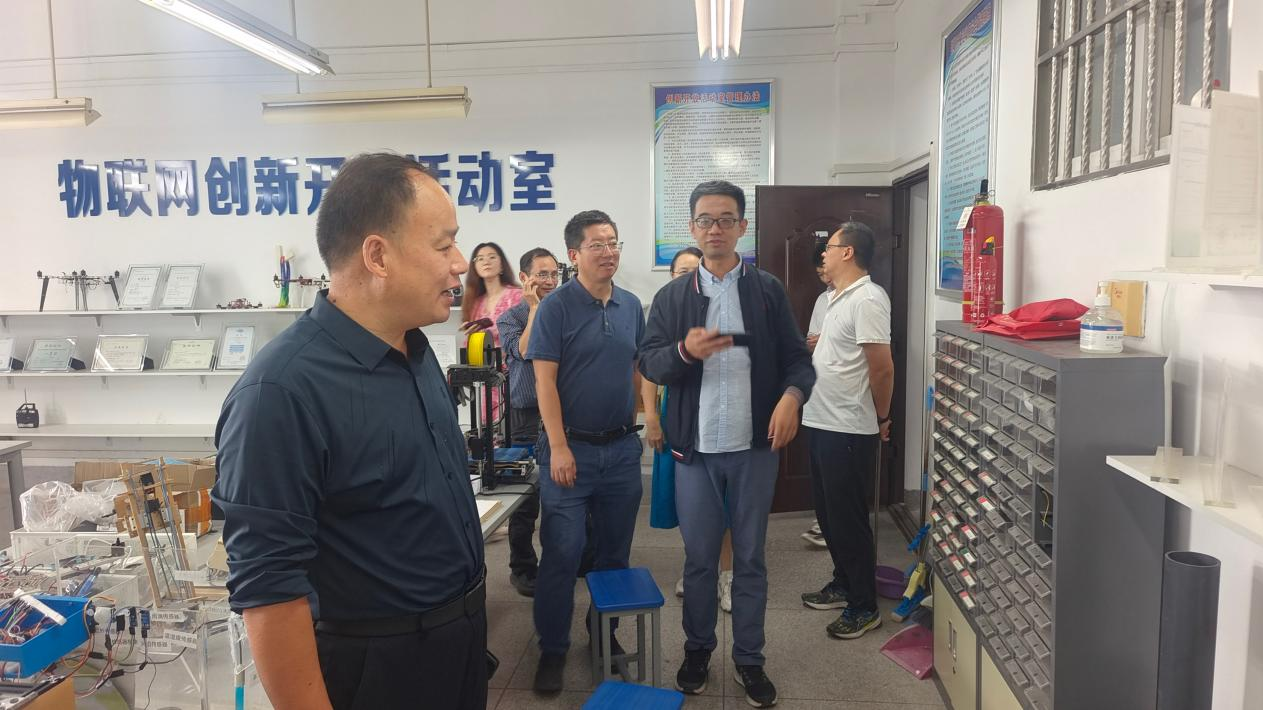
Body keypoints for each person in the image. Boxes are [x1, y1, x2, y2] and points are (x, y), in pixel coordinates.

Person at [213, 153, 488, 710]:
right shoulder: (280, 393)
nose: (460, 263)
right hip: (376, 671)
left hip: (456, 650)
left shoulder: (415, 351)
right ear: (377, 255)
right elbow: (270, 591)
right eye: (444, 246)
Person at [640, 180, 816, 708]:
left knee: (751, 557)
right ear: (692, 227)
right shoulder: (673, 297)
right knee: (698, 559)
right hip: (694, 452)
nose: (714, 229)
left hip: (753, 449)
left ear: (742, 226)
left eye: (724, 219)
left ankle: (749, 658)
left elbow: (797, 360)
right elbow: (649, 362)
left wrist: (792, 397)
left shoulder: (767, 291)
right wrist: (684, 351)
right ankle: (697, 650)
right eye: (704, 220)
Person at [528, 210, 646, 693]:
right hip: (569, 451)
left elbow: (637, 369)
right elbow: (544, 382)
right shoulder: (556, 308)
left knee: (614, 554)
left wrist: (646, 420)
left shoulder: (631, 305)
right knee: (563, 552)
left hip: (620, 451)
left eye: (613, 242)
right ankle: (552, 648)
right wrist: (558, 446)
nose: (609, 252)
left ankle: (603, 634)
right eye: (597, 244)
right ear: (574, 255)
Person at [799, 221, 895, 641]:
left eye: (830, 245)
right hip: (822, 419)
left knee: (849, 520)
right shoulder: (837, 298)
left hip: (849, 427)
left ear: (848, 252)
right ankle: (843, 583)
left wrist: (881, 418)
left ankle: (863, 606)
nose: (824, 252)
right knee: (829, 515)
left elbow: (882, 368)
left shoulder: (868, 299)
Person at [641, 247, 736, 613]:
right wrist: (652, 417)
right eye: (681, 271)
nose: (688, 276)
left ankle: (727, 574)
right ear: (671, 277)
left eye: (693, 270)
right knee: (688, 501)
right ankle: (698, 567)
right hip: (676, 415)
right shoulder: (664, 310)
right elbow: (649, 369)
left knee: (723, 501)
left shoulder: (725, 307)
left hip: (720, 415)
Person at [496, 247, 560, 597]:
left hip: (561, 412)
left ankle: (558, 563)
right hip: (525, 415)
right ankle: (522, 568)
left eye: (554, 274)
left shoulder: (565, 310)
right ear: (524, 278)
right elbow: (523, 350)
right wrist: (535, 308)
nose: (550, 281)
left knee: (558, 494)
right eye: (542, 274)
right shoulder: (511, 317)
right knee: (525, 497)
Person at [802, 241, 834, 549]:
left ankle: (833, 528)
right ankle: (823, 522)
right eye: (819, 272)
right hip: (818, 391)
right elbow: (811, 340)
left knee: (839, 470)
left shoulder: (866, 297)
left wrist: (824, 340)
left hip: (845, 402)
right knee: (820, 466)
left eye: (825, 268)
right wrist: (818, 341)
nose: (824, 275)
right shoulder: (822, 299)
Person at [460, 242, 522, 345]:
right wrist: (473, 332)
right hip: (481, 355)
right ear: (475, 267)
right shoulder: (475, 302)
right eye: (480, 259)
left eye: (492, 257)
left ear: (502, 265)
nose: (486, 262)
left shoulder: (517, 296)